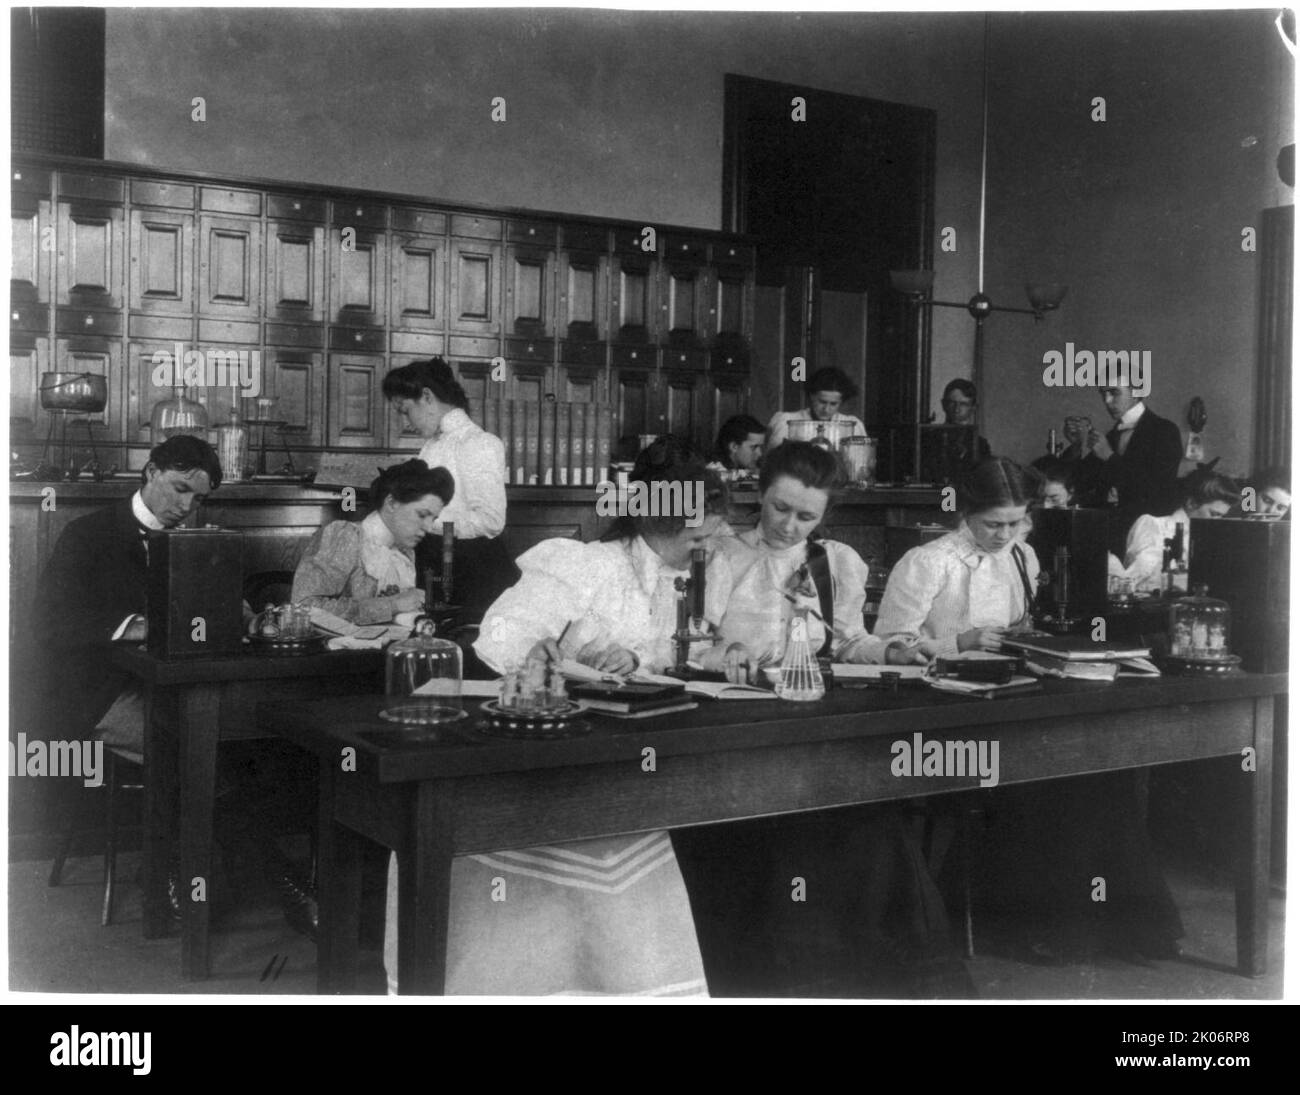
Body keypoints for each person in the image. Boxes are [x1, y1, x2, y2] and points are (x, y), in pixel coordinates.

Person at [382, 442, 731, 995]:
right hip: (542, 748)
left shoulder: (678, 578)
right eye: (698, 532)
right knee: (539, 896)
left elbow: (665, 648)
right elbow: (502, 634)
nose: (707, 542)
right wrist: (542, 650)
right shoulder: (585, 563)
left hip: (618, 754)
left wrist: (633, 659)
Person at [875, 457, 1183, 965]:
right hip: (941, 715)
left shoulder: (1023, 556)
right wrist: (958, 640)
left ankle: (1123, 927)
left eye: (1015, 522)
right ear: (966, 512)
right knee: (1050, 775)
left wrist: (1026, 641)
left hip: (1006, 700)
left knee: (1098, 769)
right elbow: (890, 645)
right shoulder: (928, 562)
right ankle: (1050, 928)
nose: (1004, 534)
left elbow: (1021, 623)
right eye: (992, 523)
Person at [33, 436, 316, 936]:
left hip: (175, 690)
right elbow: (50, 625)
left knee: (235, 741)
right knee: (191, 747)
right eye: (180, 489)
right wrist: (140, 624)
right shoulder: (87, 534)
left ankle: (204, 873)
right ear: (151, 473)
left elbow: (212, 610)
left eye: (198, 498)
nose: (186, 507)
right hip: (99, 694)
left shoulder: (197, 540)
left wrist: (242, 615)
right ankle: (255, 879)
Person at [699, 440, 916, 675]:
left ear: (822, 516)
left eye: (806, 517)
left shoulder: (835, 561)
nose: (788, 526)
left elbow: (846, 642)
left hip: (806, 695)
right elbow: (694, 645)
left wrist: (892, 652)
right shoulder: (721, 556)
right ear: (761, 494)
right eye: (780, 508)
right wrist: (731, 650)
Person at [382, 359, 517, 620]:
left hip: (472, 571)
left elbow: (491, 521)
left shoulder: (480, 443)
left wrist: (421, 521)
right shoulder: (431, 445)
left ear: (427, 396)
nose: (406, 422)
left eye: (405, 411)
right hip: (436, 561)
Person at [291, 460, 454, 623]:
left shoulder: (404, 551)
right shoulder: (346, 536)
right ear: (391, 503)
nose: (428, 526)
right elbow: (304, 607)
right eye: (422, 514)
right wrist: (391, 605)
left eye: (433, 518)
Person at [1072, 386, 1184, 554]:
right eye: (1103, 394)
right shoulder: (1112, 435)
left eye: (1114, 392)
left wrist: (1110, 457)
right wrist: (1077, 445)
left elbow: (1158, 490)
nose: (1107, 401)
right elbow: (1079, 482)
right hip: (1110, 539)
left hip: (1146, 541)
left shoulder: (1165, 431)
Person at [1109, 469, 1239, 592]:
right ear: (1191, 503)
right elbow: (1138, 582)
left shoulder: (1211, 538)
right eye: (1213, 514)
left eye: (1221, 516)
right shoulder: (1154, 525)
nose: (1217, 522)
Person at [766, 366, 868, 448]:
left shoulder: (853, 426)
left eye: (833, 404)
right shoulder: (787, 421)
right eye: (822, 402)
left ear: (841, 402)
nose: (826, 409)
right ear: (812, 396)